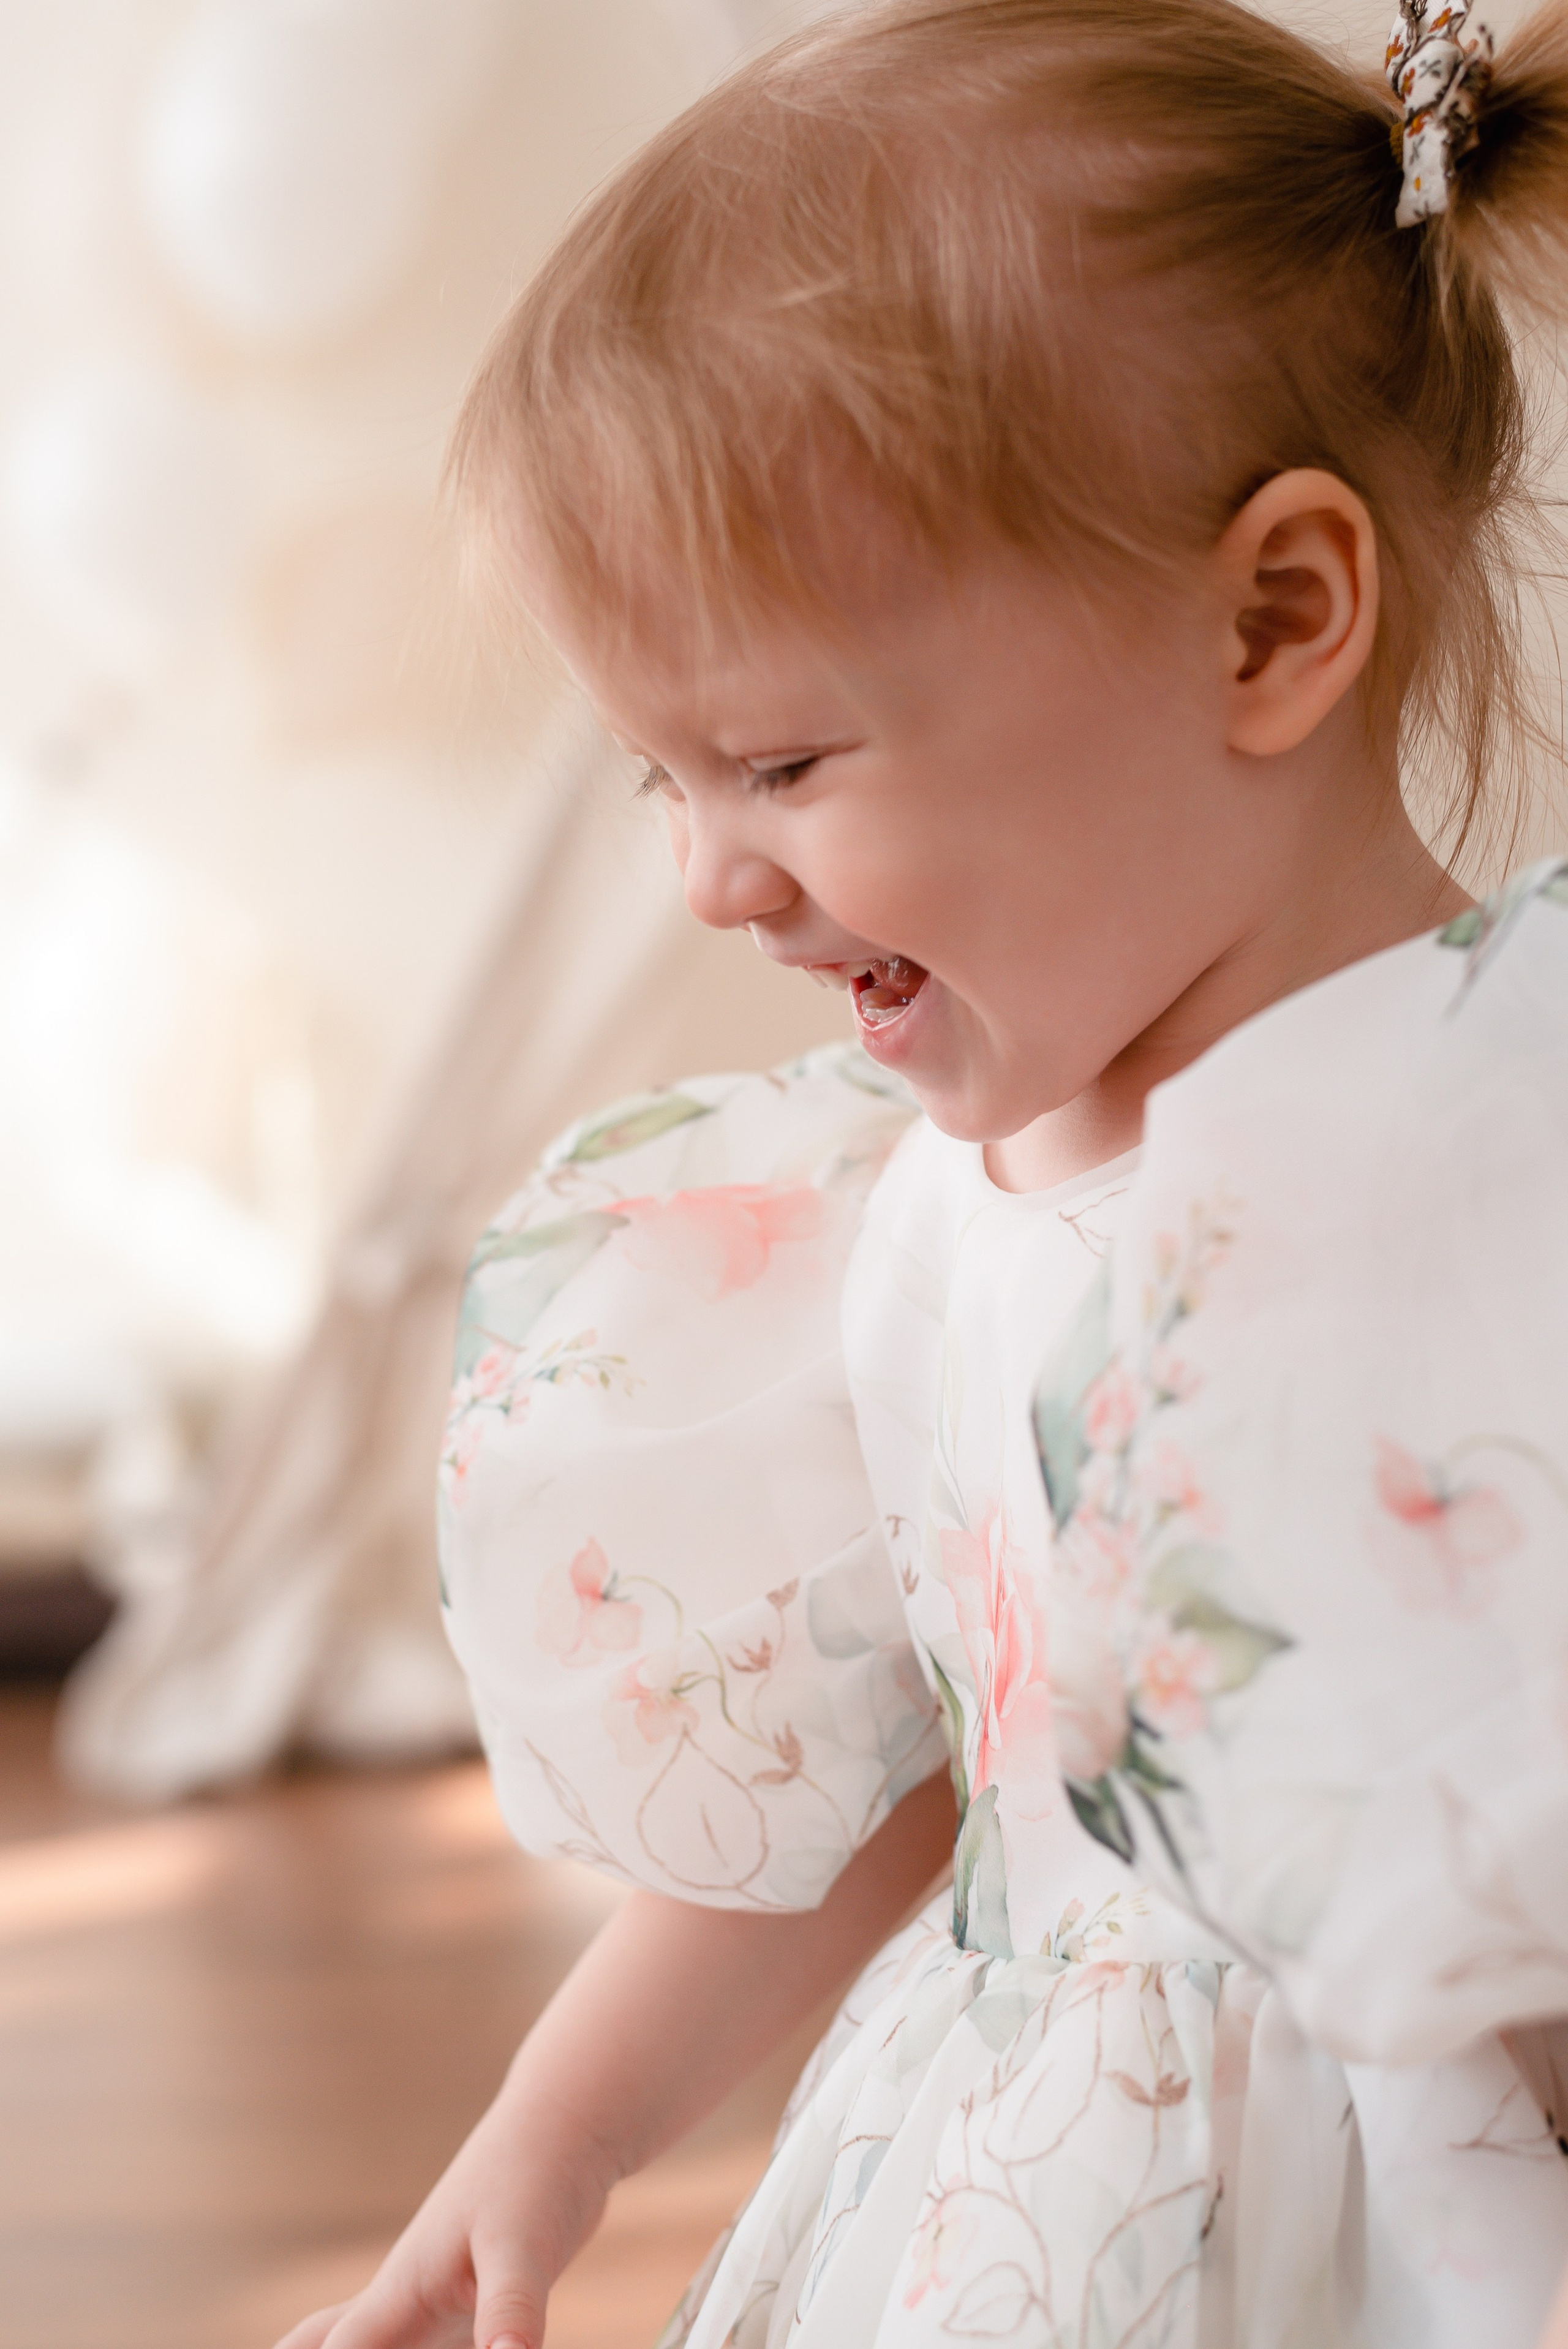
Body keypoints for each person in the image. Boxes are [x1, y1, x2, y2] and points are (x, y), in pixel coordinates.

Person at [277, 1, 1568, 2343]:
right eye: (663, 779)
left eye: (776, 757)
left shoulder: (1489, 1169)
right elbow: (907, 1778)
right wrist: (541, 2145)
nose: (712, 880)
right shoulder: (916, 1224)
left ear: (1276, 620)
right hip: (1017, 2190)